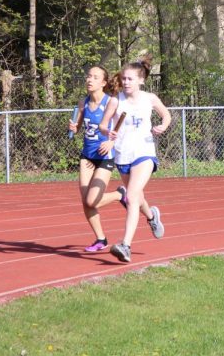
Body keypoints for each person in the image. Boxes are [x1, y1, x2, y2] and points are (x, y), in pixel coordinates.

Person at [97, 56, 170, 262]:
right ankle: (152, 216)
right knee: (136, 197)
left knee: (131, 195)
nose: (126, 82)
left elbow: (166, 115)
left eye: (130, 79)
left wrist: (162, 126)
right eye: (124, 79)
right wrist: (107, 133)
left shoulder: (150, 98)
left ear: (141, 80)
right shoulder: (115, 100)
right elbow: (103, 125)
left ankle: (125, 245)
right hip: (123, 154)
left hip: (144, 153)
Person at [68, 65, 128, 253]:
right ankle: (100, 239)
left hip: (104, 157)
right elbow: (78, 128)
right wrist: (73, 128)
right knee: (85, 201)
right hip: (87, 156)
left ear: (103, 83)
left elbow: (121, 127)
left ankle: (120, 194)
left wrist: (111, 143)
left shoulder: (110, 102)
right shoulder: (82, 103)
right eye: (88, 76)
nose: (89, 80)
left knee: (92, 200)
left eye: (95, 77)